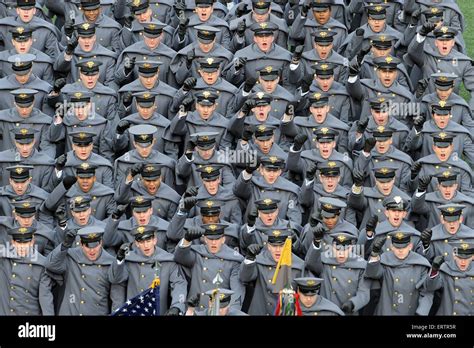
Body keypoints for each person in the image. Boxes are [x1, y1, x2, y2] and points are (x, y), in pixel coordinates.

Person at [109, 225, 187, 315]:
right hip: (133, 311)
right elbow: (115, 279)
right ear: (137, 244)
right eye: (141, 242)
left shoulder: (167, 260)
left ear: (155, 240)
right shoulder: (129, 260)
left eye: (148, 241)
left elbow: (179, 283)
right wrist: (119, 259)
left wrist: (176, 306)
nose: (146, 245)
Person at [45, 226, 120, 315]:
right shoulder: (71, 256)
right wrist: (65, 245)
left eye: (95, 246)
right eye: (87, 246)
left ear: (101, 243)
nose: (92, 250)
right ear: (81, 244)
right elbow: (51, 265)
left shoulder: (111, 262)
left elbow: (117, 298)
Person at [174, 223, 245, 311]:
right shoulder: (197, 254)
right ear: (205, 239)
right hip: (196, 309)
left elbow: (237, 291)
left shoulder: (234, 260)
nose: (213, 242)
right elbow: (179, 258)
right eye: (210, 239)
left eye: (217, 239)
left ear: (223, 239)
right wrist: (186, 240)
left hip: (219, 310)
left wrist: (232, 312)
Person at [365, 231, 433, 315]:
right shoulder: (384, 260)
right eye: (397, 247)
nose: (400, 251)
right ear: (391, 247)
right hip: (386, 311)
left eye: (404, 247)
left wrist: (421, 313)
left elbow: (426, 292)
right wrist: (374, 254)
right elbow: (372, 274)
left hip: (410, 312)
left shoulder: (420, 264)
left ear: (410, 246)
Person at [239, 229, 305, 315]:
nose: (277, 250)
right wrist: (250, 259)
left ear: (288, 246)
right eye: (274, 246)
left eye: (281, 246)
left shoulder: (298, 265)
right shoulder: (260, 260)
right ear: (268, 246)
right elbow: (245, 278)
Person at [305, 232, 370, 315]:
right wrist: (316, 243)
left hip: (348, 311)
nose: (341, 254)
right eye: (337, 249)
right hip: (326, 310)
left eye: (345, 249)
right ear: (332, 247)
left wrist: (353, 303)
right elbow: (310, 263)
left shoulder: (361, 265)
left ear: (351, 248)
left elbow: (364, 293)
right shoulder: (324, 260)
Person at [0, 226, 55, 315]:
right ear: (13, 242)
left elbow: (45, 296)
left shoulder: (41, 264)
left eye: (25, 243)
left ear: (32, 242)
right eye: (19, 243)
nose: (22, 247)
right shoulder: (4, 259)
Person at [424, 241, 474, 315]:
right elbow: (430, 287)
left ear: (473, 257)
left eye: (467, 258)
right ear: (454, 256)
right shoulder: (446, 268)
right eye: (460, 258)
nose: (463, 262)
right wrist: (434, 270)